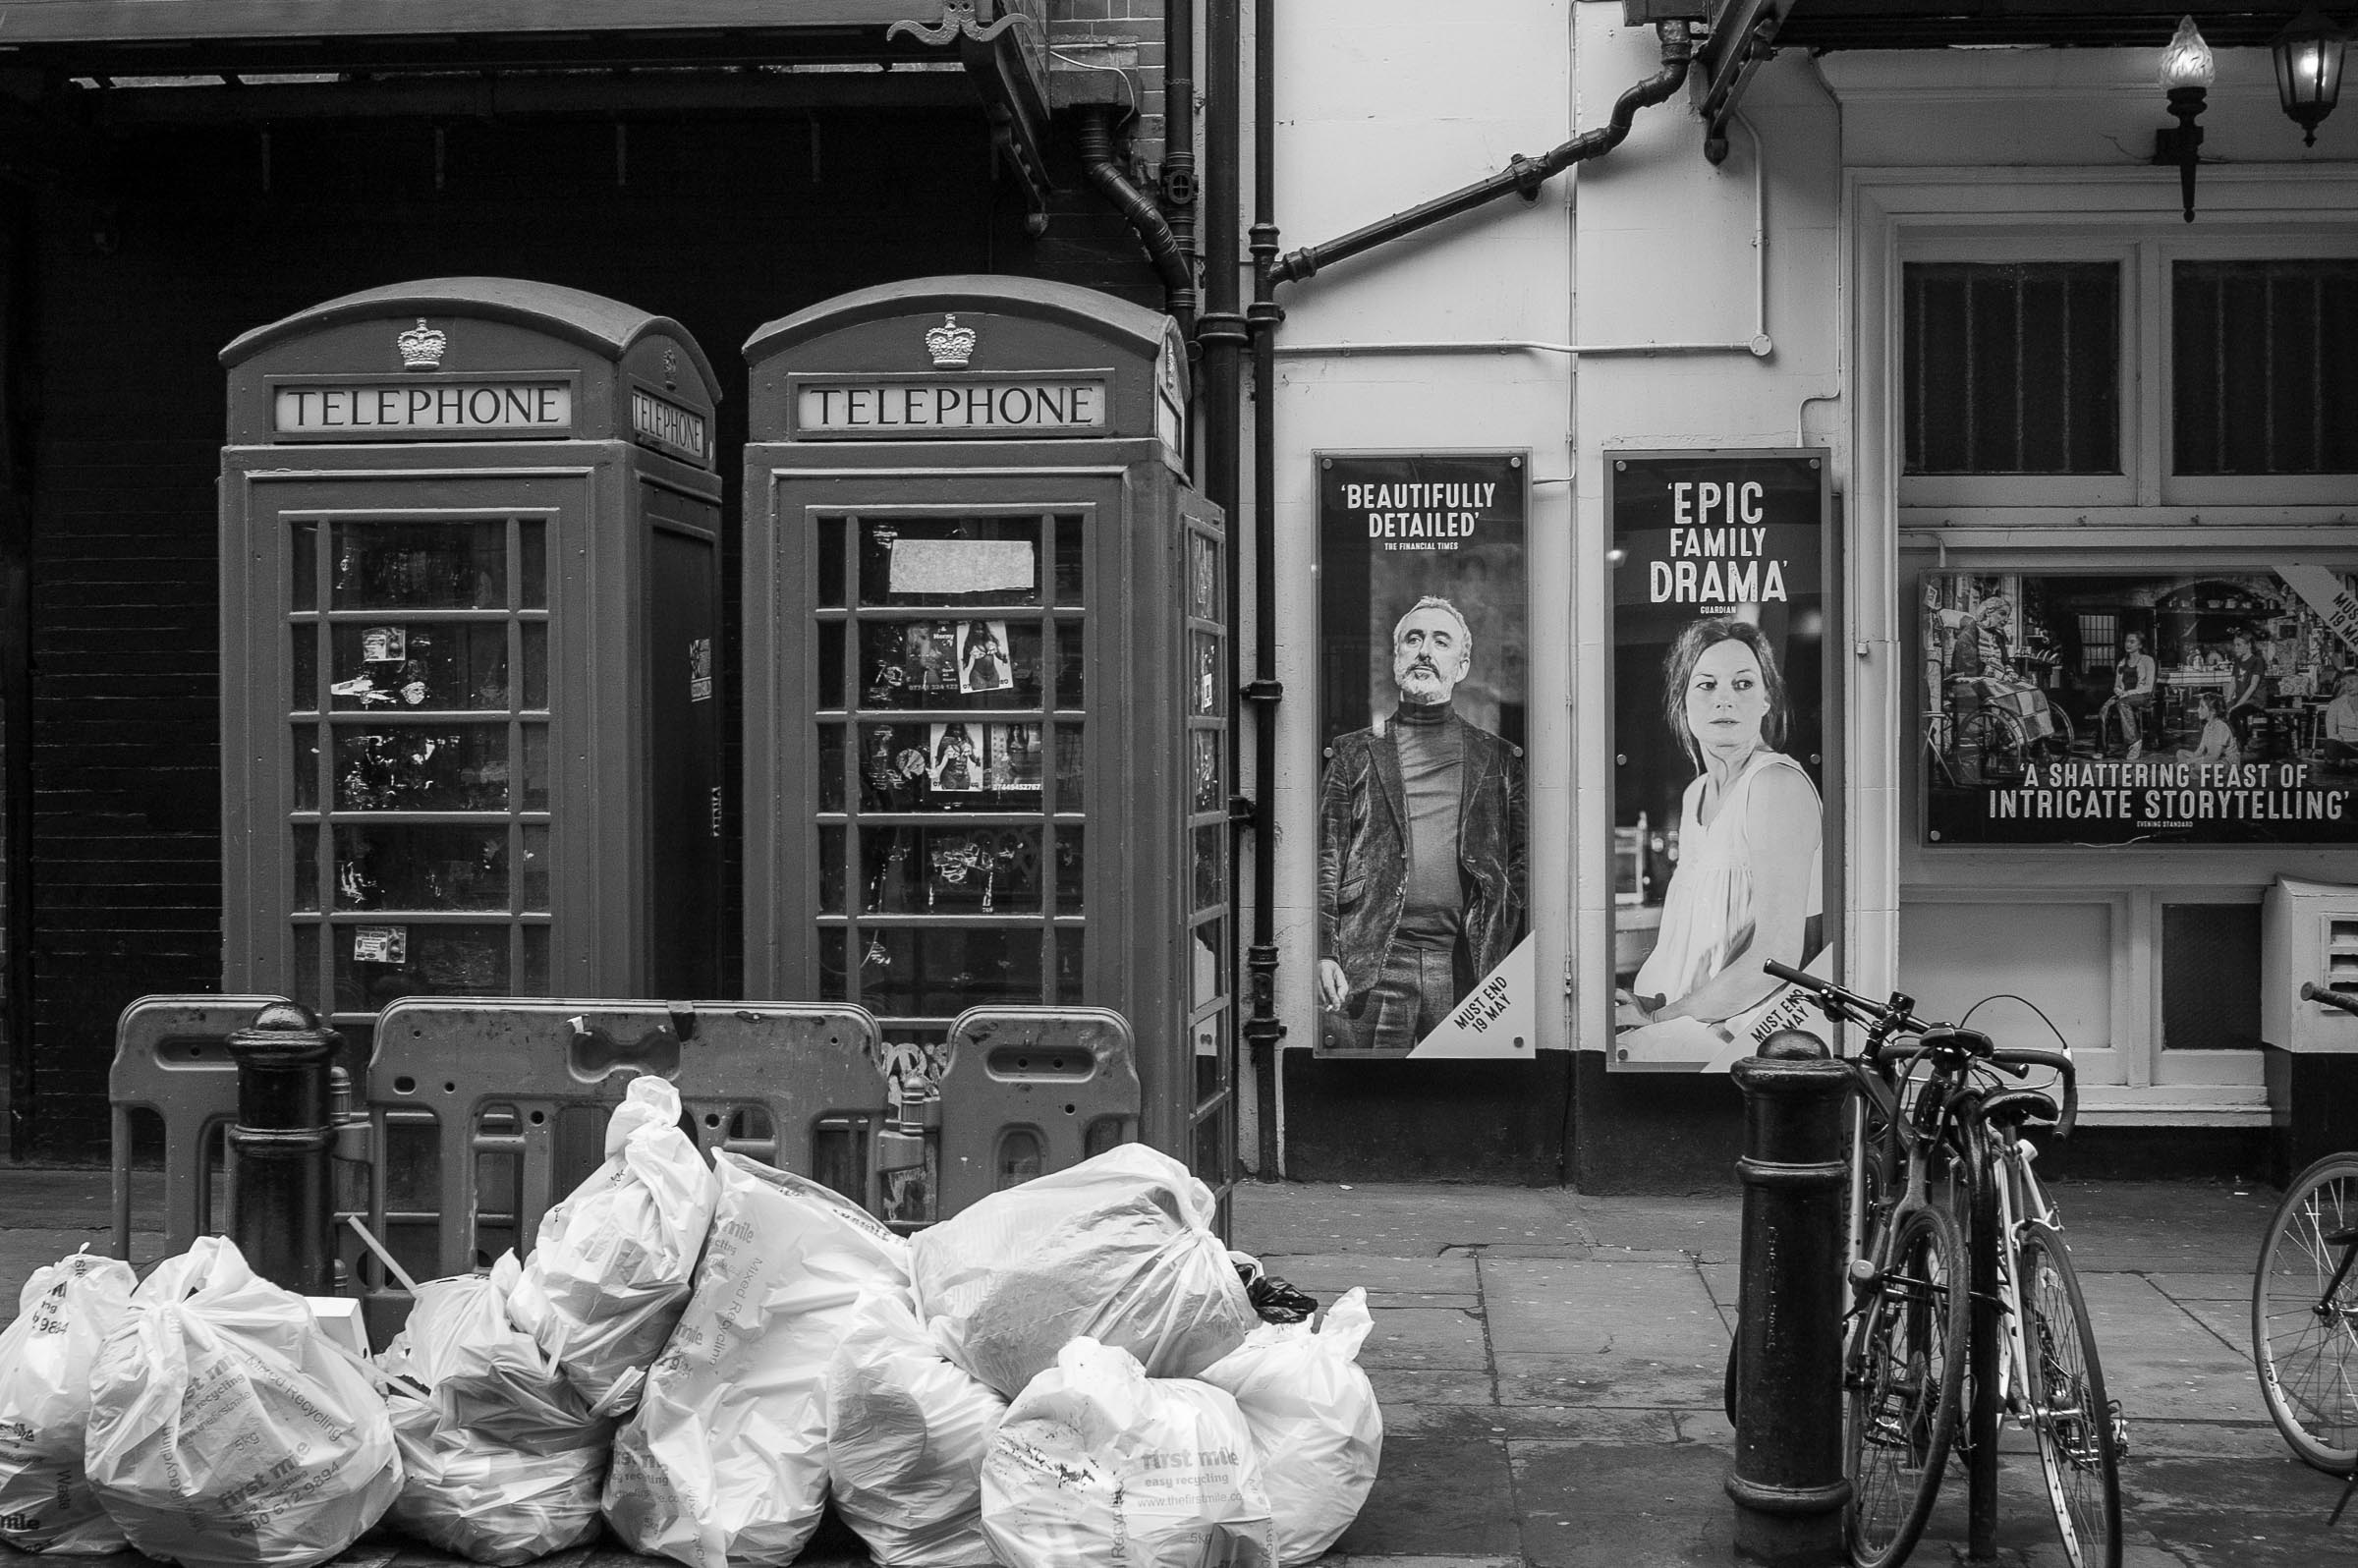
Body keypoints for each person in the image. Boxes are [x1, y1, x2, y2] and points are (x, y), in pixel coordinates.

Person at [1317, 596, 1528, 1053]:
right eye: (1413, 639)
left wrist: (1503, 951)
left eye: (1440, 641)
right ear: (1397, 658)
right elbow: (1326, 857)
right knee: (1372, 1089)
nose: (1425, 651)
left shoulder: (1498, 758)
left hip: (1466, 966)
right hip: (1372, 965)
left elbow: (1522, 863)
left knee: (1459, 1090)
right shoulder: (1353, 752)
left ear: (1462, 666)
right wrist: (1324, 950)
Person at [1617, 617, 1824, 1038]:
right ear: (1683, 701)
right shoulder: (1695, 794)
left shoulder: (1774, 784)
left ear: (1766, 699)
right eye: (1707, 685)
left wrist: (1657, 1021)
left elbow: (1775, 958)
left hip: (1735, 1039)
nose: (1724, 699)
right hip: (1681, 1022)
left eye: (1743, 684)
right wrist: (1652, 1008)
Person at [2105, 630, 2158, 759]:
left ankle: (2134, 742)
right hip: (2124, 696)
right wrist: (2118, 690)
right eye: (2126, 641)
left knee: (2123, 703)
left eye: (2132, 642)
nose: (2128, 644)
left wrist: (2127, 693)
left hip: (2143, 696)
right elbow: (2117, 685)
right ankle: (2102, 748)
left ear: (2140, 645)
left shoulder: (2147, 660)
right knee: (2104, 709)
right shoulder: (2122, 662)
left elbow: (2148, 687)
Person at [2228, 629, 2274, 757]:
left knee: (2235, 713)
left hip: (2255, 700)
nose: (2235, 648)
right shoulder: (2238, 661)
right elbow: (2233, 682)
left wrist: (2237, 704)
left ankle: (2243, 745)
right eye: (2235, 645)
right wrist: (2228, 700)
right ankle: (2230, 745)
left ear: (2248, 645)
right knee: (2224, 711)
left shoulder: (2257, 661)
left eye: (2238, 645)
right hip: (2241, 698)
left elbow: (2253, 686)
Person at [2176, 689, 2239, 765]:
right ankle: (2191, 768)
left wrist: (2189, 761)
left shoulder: (2221, 727)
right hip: (2212, 758)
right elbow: (2199, 751)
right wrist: (2190, 760)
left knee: (2199, 765)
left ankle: (2192, 768)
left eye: (2202, 707)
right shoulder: (2207, 726)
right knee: (2180, 753)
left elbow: (2214, 757)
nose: (2198, 710)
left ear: (2213, 711)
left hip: (2226, 761)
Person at [2322, 672, 2358, 768]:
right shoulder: (2335, 704)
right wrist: (2340, 740)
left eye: (2351, 682)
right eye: (2344, 684)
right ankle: (2350, 759)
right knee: (2330, 745)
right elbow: (2331, 733)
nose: (2348, 686)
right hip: (2345, 744)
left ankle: (2347, 761)